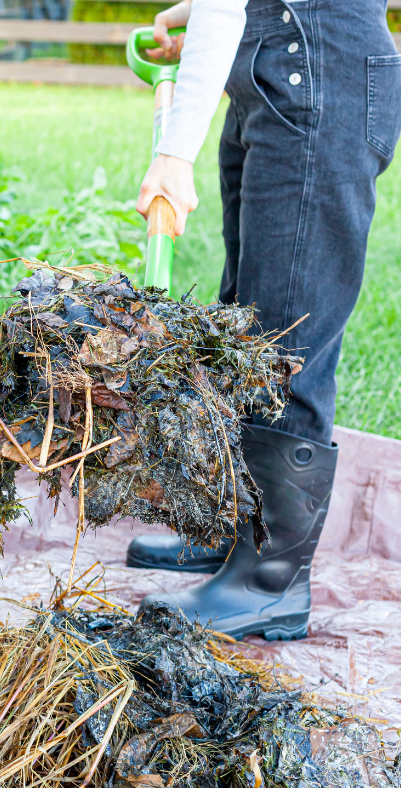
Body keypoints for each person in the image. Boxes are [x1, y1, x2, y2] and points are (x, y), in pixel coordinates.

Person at [126, 0, 401, 640]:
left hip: (318, 76)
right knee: (247, 315)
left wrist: (174, 152)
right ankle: (237, 533)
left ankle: (269, 581)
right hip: (275, 75)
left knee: (285, 337)